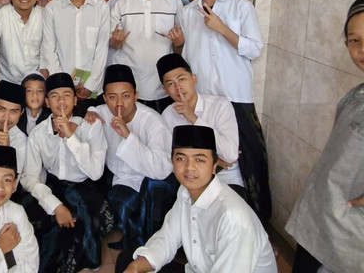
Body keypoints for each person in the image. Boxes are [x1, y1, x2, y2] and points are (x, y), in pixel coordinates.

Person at [180, 0, 271, 219]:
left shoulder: (241, 7)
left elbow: (254, 48)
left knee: (250, 161)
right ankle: (209, 225)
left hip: (236, 97)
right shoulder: (187, 12)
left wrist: (222, 28)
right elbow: (188, 55)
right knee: (206, 160)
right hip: (204, 100)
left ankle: (259, 227)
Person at [117, 125, 277, 273]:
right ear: (172, 162)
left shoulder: (233, 218)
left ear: (214, 166)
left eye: (199, 160)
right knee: (128, 261)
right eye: (181, 159)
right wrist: (136, 268)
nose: (189, 167)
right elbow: (167, 239)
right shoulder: (186, 192)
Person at [285, 0, 364, 273]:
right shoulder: (354, 97)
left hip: (349, 235)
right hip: (320, 218)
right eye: (354, 40)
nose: (362, 49)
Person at [22, 72, 112, 272]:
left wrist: (71, 137)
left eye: (66, 95)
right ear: (46, 102)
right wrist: (55, 206)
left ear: (75, 99)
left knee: (81, 225)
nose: (61, 101)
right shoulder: (38, 134)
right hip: (54, 186)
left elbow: (95, 173)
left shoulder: (91, 125)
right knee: (31, 217)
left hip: (85, 185)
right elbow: (30, 178)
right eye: (54, 96)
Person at [84, 64, 175, 250]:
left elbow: (162, 169)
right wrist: (89, 111)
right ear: (104, 99)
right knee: (115, 212)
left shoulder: (152, 121)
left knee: (146, 206)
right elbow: (90, 111)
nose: (119, 104)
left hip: (152, 180)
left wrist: (128, 135)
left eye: (126, 96)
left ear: (136, 95)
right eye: (112, 97)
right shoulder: (101, 113)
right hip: (123, 180)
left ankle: (148, 246)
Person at [157, 53, 246, 198]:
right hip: (188, 181)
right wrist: (212, 161)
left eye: (182, 79)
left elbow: (230, 155)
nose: (178, 88)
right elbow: (168, 157)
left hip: (225, 178)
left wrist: (192, 117)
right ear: (165, 90)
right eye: (170, 84)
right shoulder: (168, 115)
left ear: (193, 79)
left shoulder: (220, 105)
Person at [110, 0, 184, 114]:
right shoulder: (121, 5)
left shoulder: (172, 2)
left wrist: (179, 41)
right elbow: (113, 44)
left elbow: (181, 43)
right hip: (131, 84)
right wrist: (116, 41)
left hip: (164, 85)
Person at [40, 0, 110, 116]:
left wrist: (90, 85)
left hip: (93, 90)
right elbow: (48, 48)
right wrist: (64, 85)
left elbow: (102, 50)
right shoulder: (53, 9)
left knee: (92, 132)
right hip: (62, 92)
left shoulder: (101, 8)